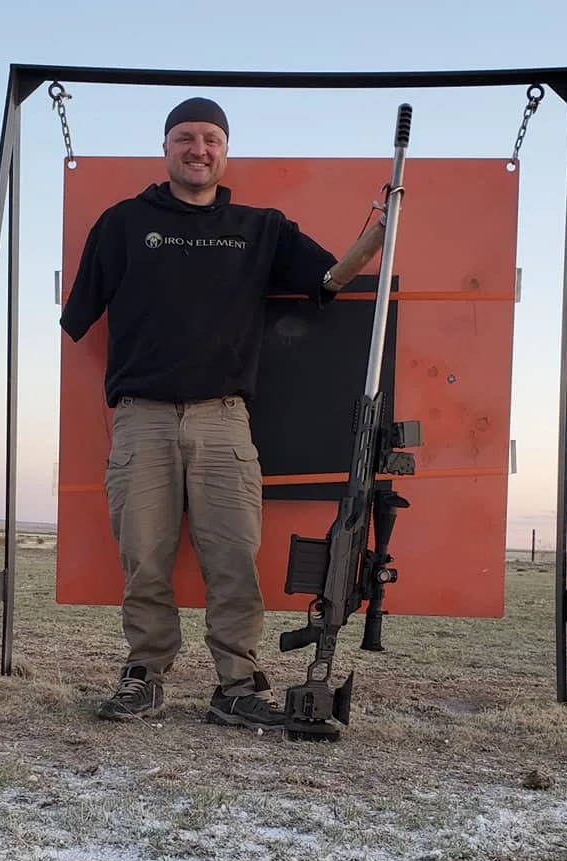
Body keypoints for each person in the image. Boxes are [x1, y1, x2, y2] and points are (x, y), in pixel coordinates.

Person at [60, 96, 390, 731]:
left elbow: (331, 280)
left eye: (210, 138)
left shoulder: (261, 227)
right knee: (143, 557)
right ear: (165, 147)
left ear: (225, 151)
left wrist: (381, 230)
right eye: (184, 137)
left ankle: (236, 686)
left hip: (224, 420)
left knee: (234, 558)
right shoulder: (123, 223)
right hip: (142, 418)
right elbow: (78, 316)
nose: (197, 149)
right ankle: (144, 676)